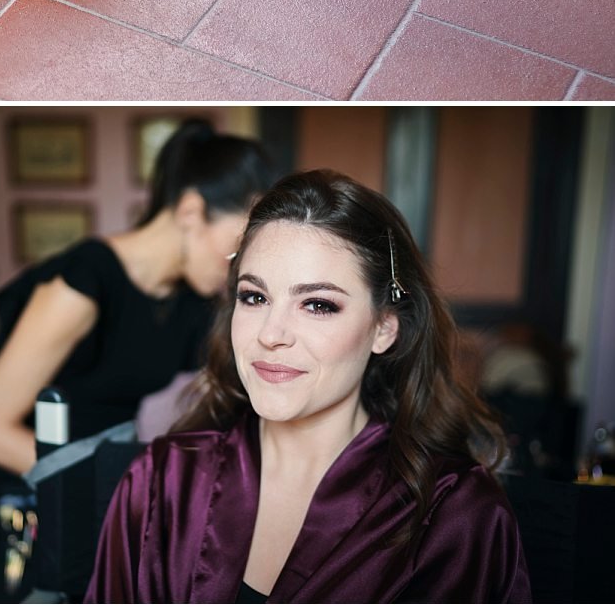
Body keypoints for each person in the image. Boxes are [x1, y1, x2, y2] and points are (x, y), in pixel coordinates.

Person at [86, 171, 531, 603]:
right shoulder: (163, 479)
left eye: (317, 304)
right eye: (254, 297)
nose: (271, 333)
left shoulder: (456, 517)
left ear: (384, 328)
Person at [0, 120, 276, 602]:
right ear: (190, 210)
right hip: (18, 511)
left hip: (96, 499)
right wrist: (124, 480)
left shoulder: (191, 300)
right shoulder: (84, 284)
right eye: (237, 248)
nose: (240, 265)